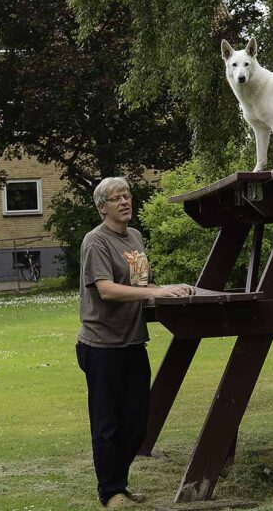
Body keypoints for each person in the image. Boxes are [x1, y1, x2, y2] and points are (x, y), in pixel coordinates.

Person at [76, 176, 194, 508]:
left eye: (127, 196)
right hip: (101, 346)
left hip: (132, 343)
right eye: (117, 198)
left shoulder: (135, 237)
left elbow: (143, 283)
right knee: (107, 424)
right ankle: (111, 492)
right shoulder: (95, 242)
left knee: (137, 423)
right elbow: (107, 289)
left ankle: (119, 484)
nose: (125, 202)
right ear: (103, 208)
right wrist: (155, 291)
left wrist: (171, 288)